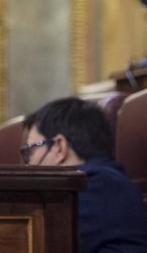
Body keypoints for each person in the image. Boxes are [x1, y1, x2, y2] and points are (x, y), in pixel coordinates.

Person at [23, 97, 147, 253]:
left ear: (59, 147)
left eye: (30, 150)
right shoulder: (106, 182)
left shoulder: (94, 186)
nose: (28, 163)